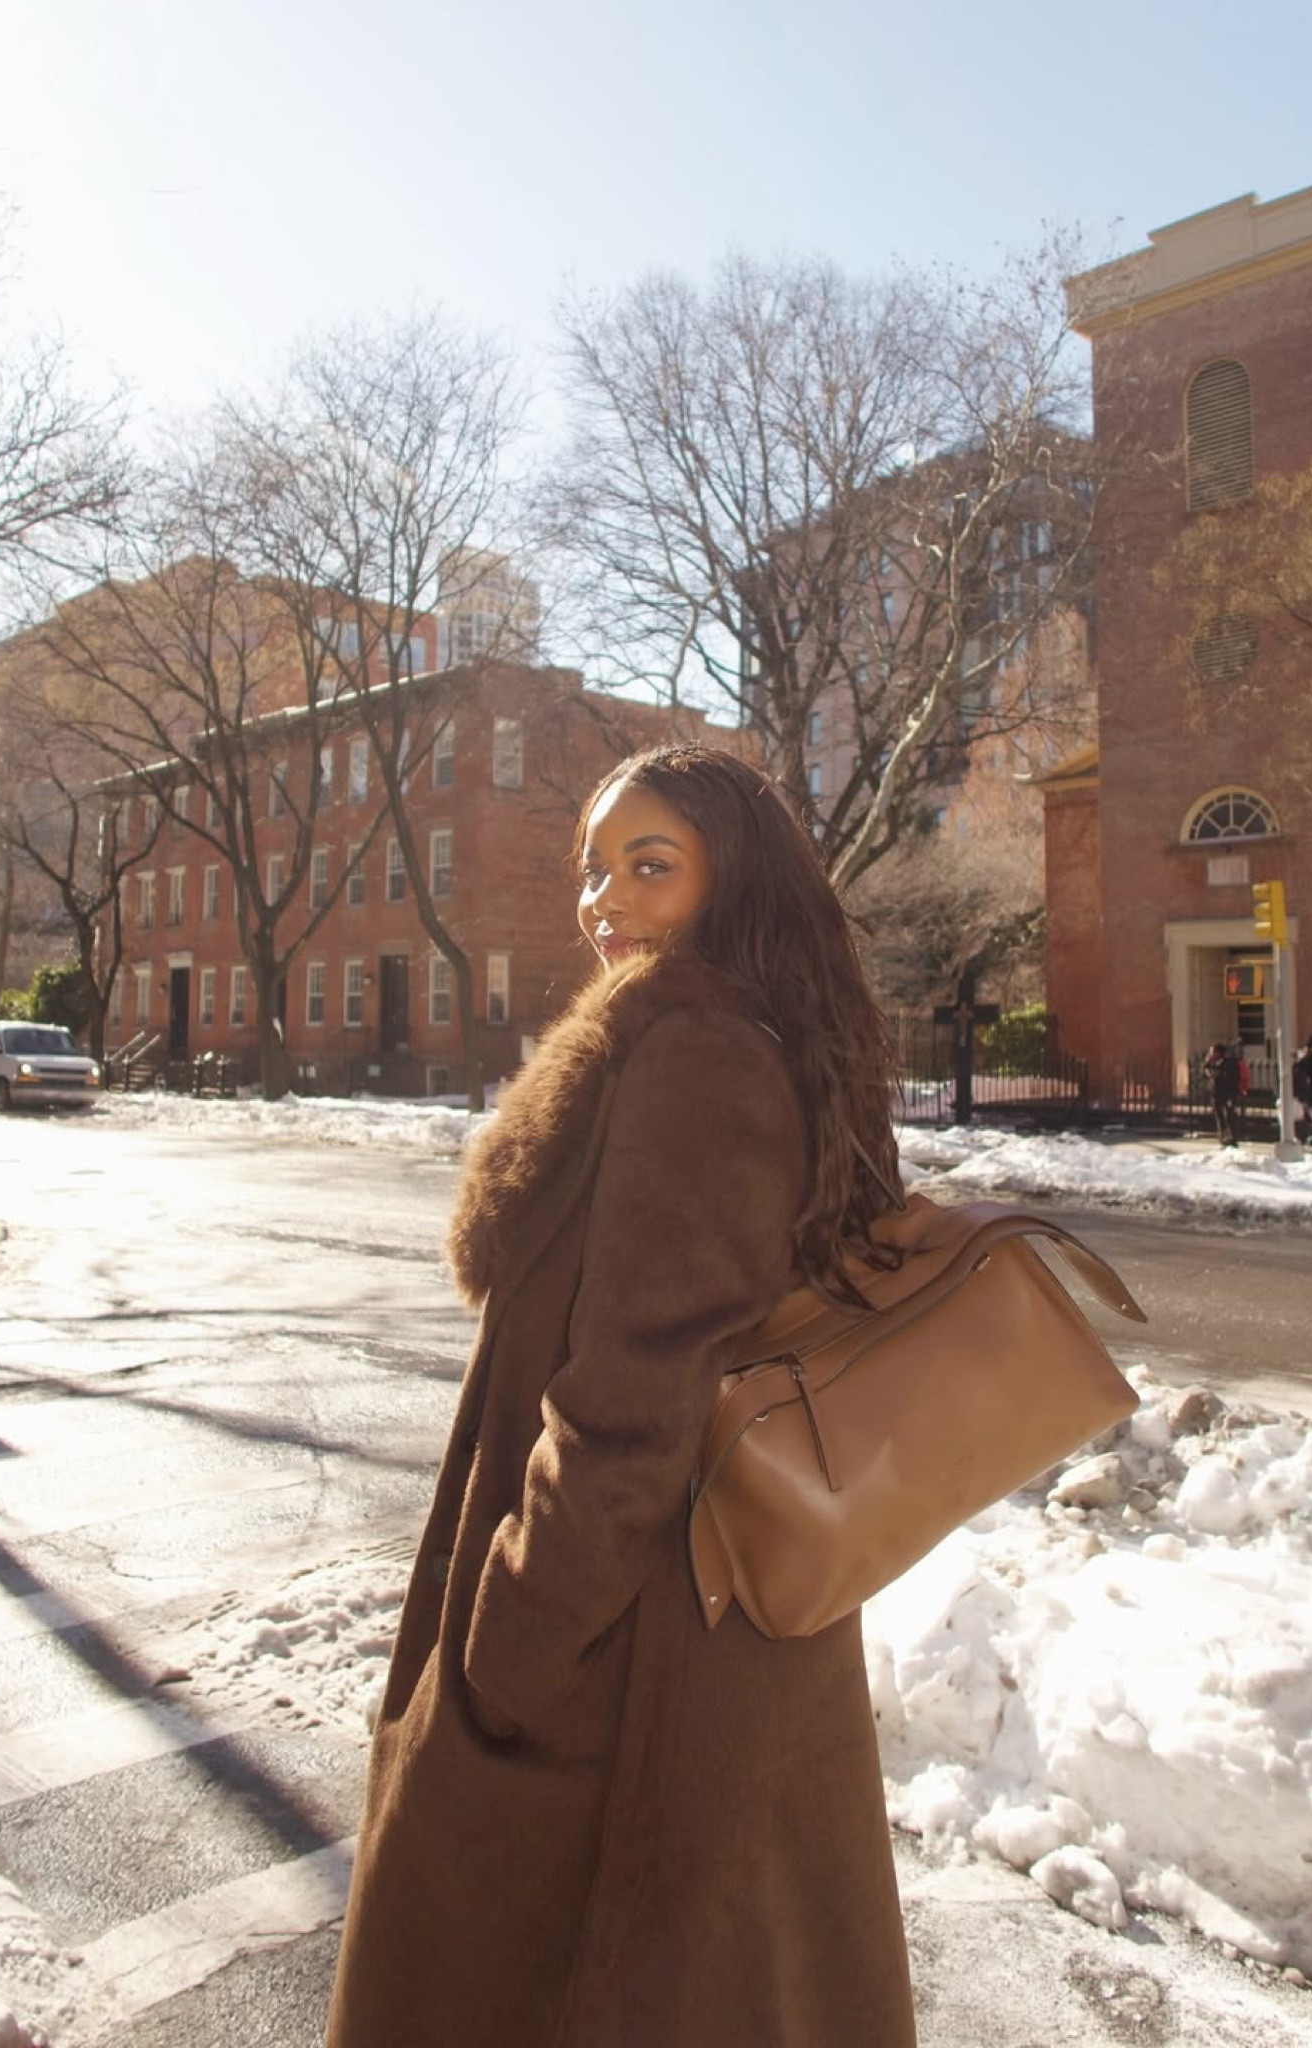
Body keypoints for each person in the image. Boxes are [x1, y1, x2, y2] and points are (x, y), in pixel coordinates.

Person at [324, 745, 917, 2048]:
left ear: (733, 879)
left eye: (651, 866)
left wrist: (505, 1659)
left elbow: (631, 1410)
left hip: (623, 1649)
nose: (605, 901)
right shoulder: (760, 1035)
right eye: (595, 869)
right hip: (709, 1629)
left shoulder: (694, 1053)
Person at [1204, 1040, 1246, 1146]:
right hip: (1216, 1094)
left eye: (1212, 1052)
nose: (1211, 1054)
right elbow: (1206, 1073)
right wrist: (1207, 1064)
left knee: (1229, 1116)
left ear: (1218, 1052)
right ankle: (1222, 1136)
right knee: (1219, 1116)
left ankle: (1232, 1138)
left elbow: (1232, 1079)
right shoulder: (1211, 1064)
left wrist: (1231, 1096)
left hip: (1227, 1094)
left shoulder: (1229, 1063)